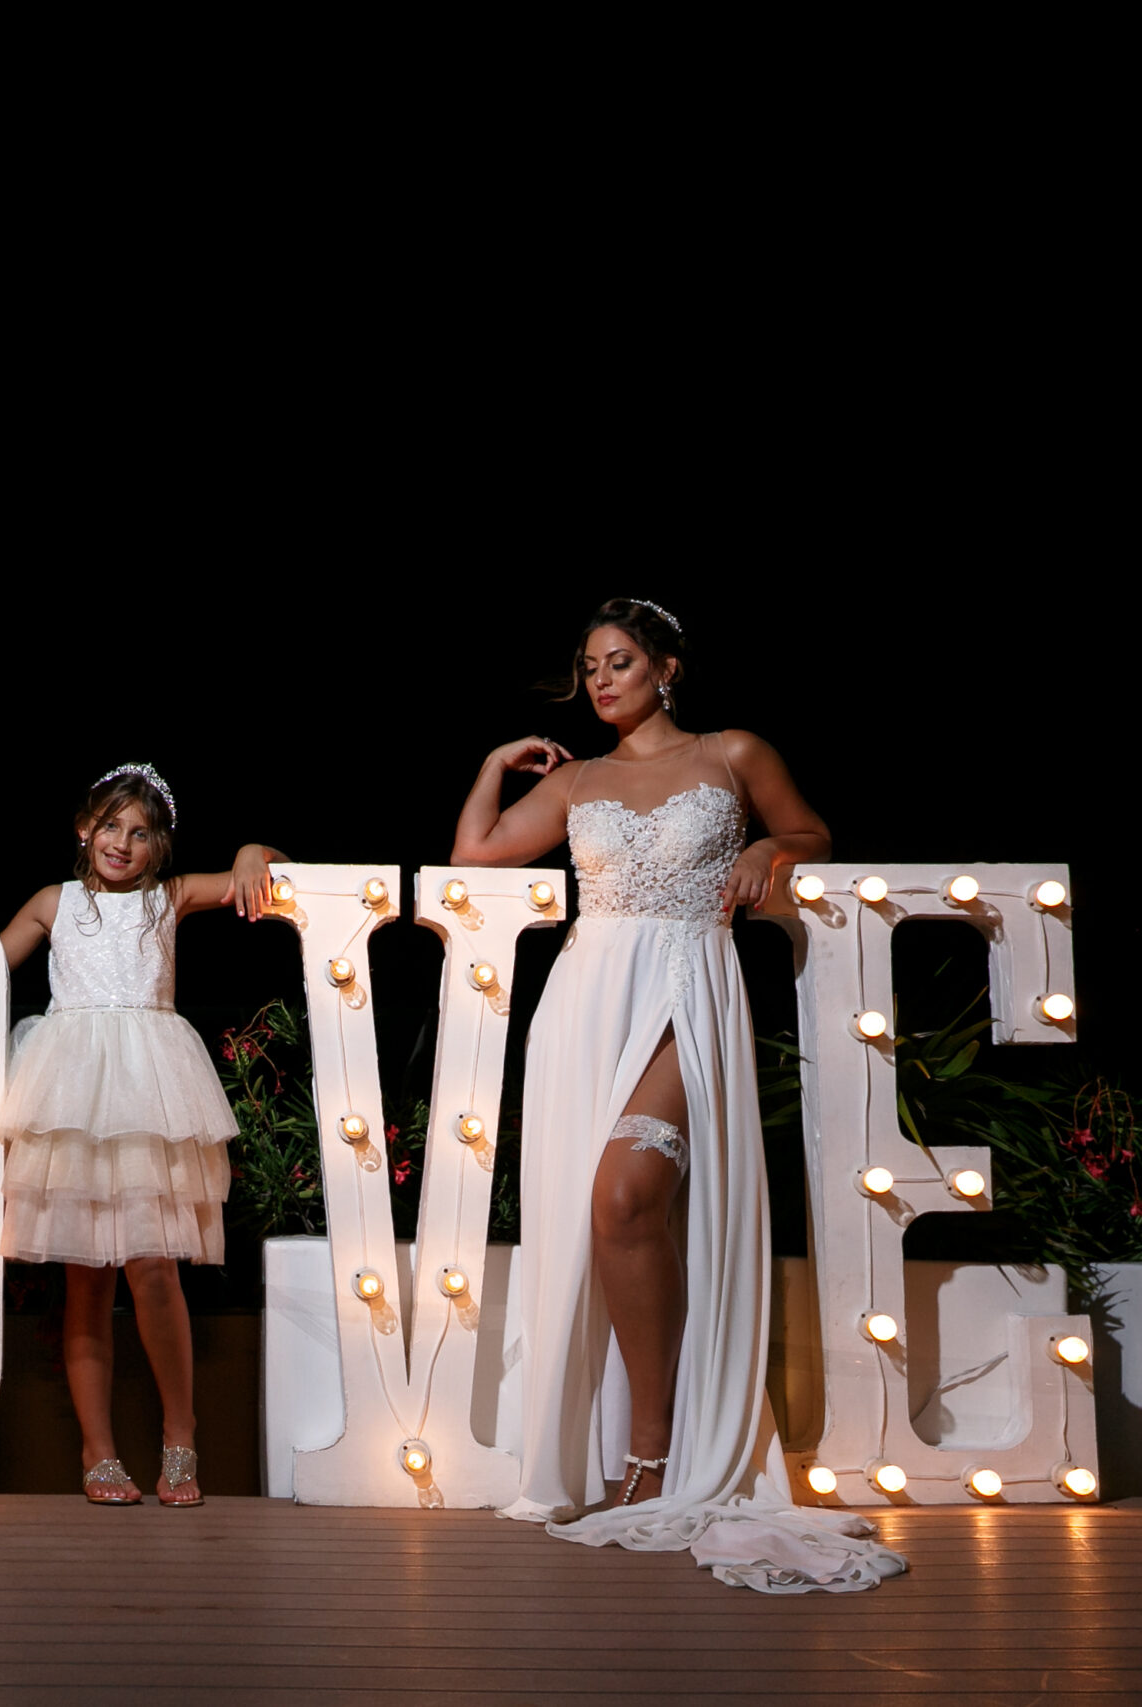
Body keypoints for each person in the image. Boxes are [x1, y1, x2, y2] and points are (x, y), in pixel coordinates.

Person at [452, 598, 904, 1592]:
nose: (600, 680)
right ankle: (636, 1444)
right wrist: (492, 769)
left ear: (666, 668)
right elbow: (472, 859)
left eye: (619, 661)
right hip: (586, 1000)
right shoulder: (576, 781)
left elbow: (811, 831)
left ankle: (656, 1456)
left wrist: (760, 851)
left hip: (688, 989)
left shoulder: (730, 752)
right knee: (611, 1218)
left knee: (623, 1198)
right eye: (588, 667)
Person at [0, 765, 281, 1506]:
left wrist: (257, 847)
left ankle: (181, 1433)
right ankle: (97, 1452)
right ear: (83, 827)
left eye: (139, 832)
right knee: (86, 1279)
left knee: (154, 1267)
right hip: (72, 1096)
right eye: (110, 826)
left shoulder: (167, 898)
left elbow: (253, 877)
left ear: (158, 846)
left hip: (147, 1095)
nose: (122, 843)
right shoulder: (53, 902)